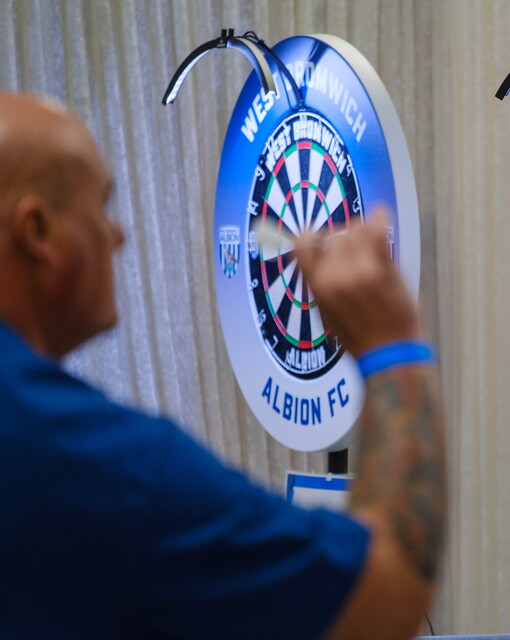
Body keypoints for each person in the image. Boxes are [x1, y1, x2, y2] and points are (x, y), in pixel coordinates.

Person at [0, 93, 445, 640]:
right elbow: (385, 593)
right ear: (37, 232)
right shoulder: (104, 468)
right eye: (101, 206)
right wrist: (391, 342)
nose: (117, 235)